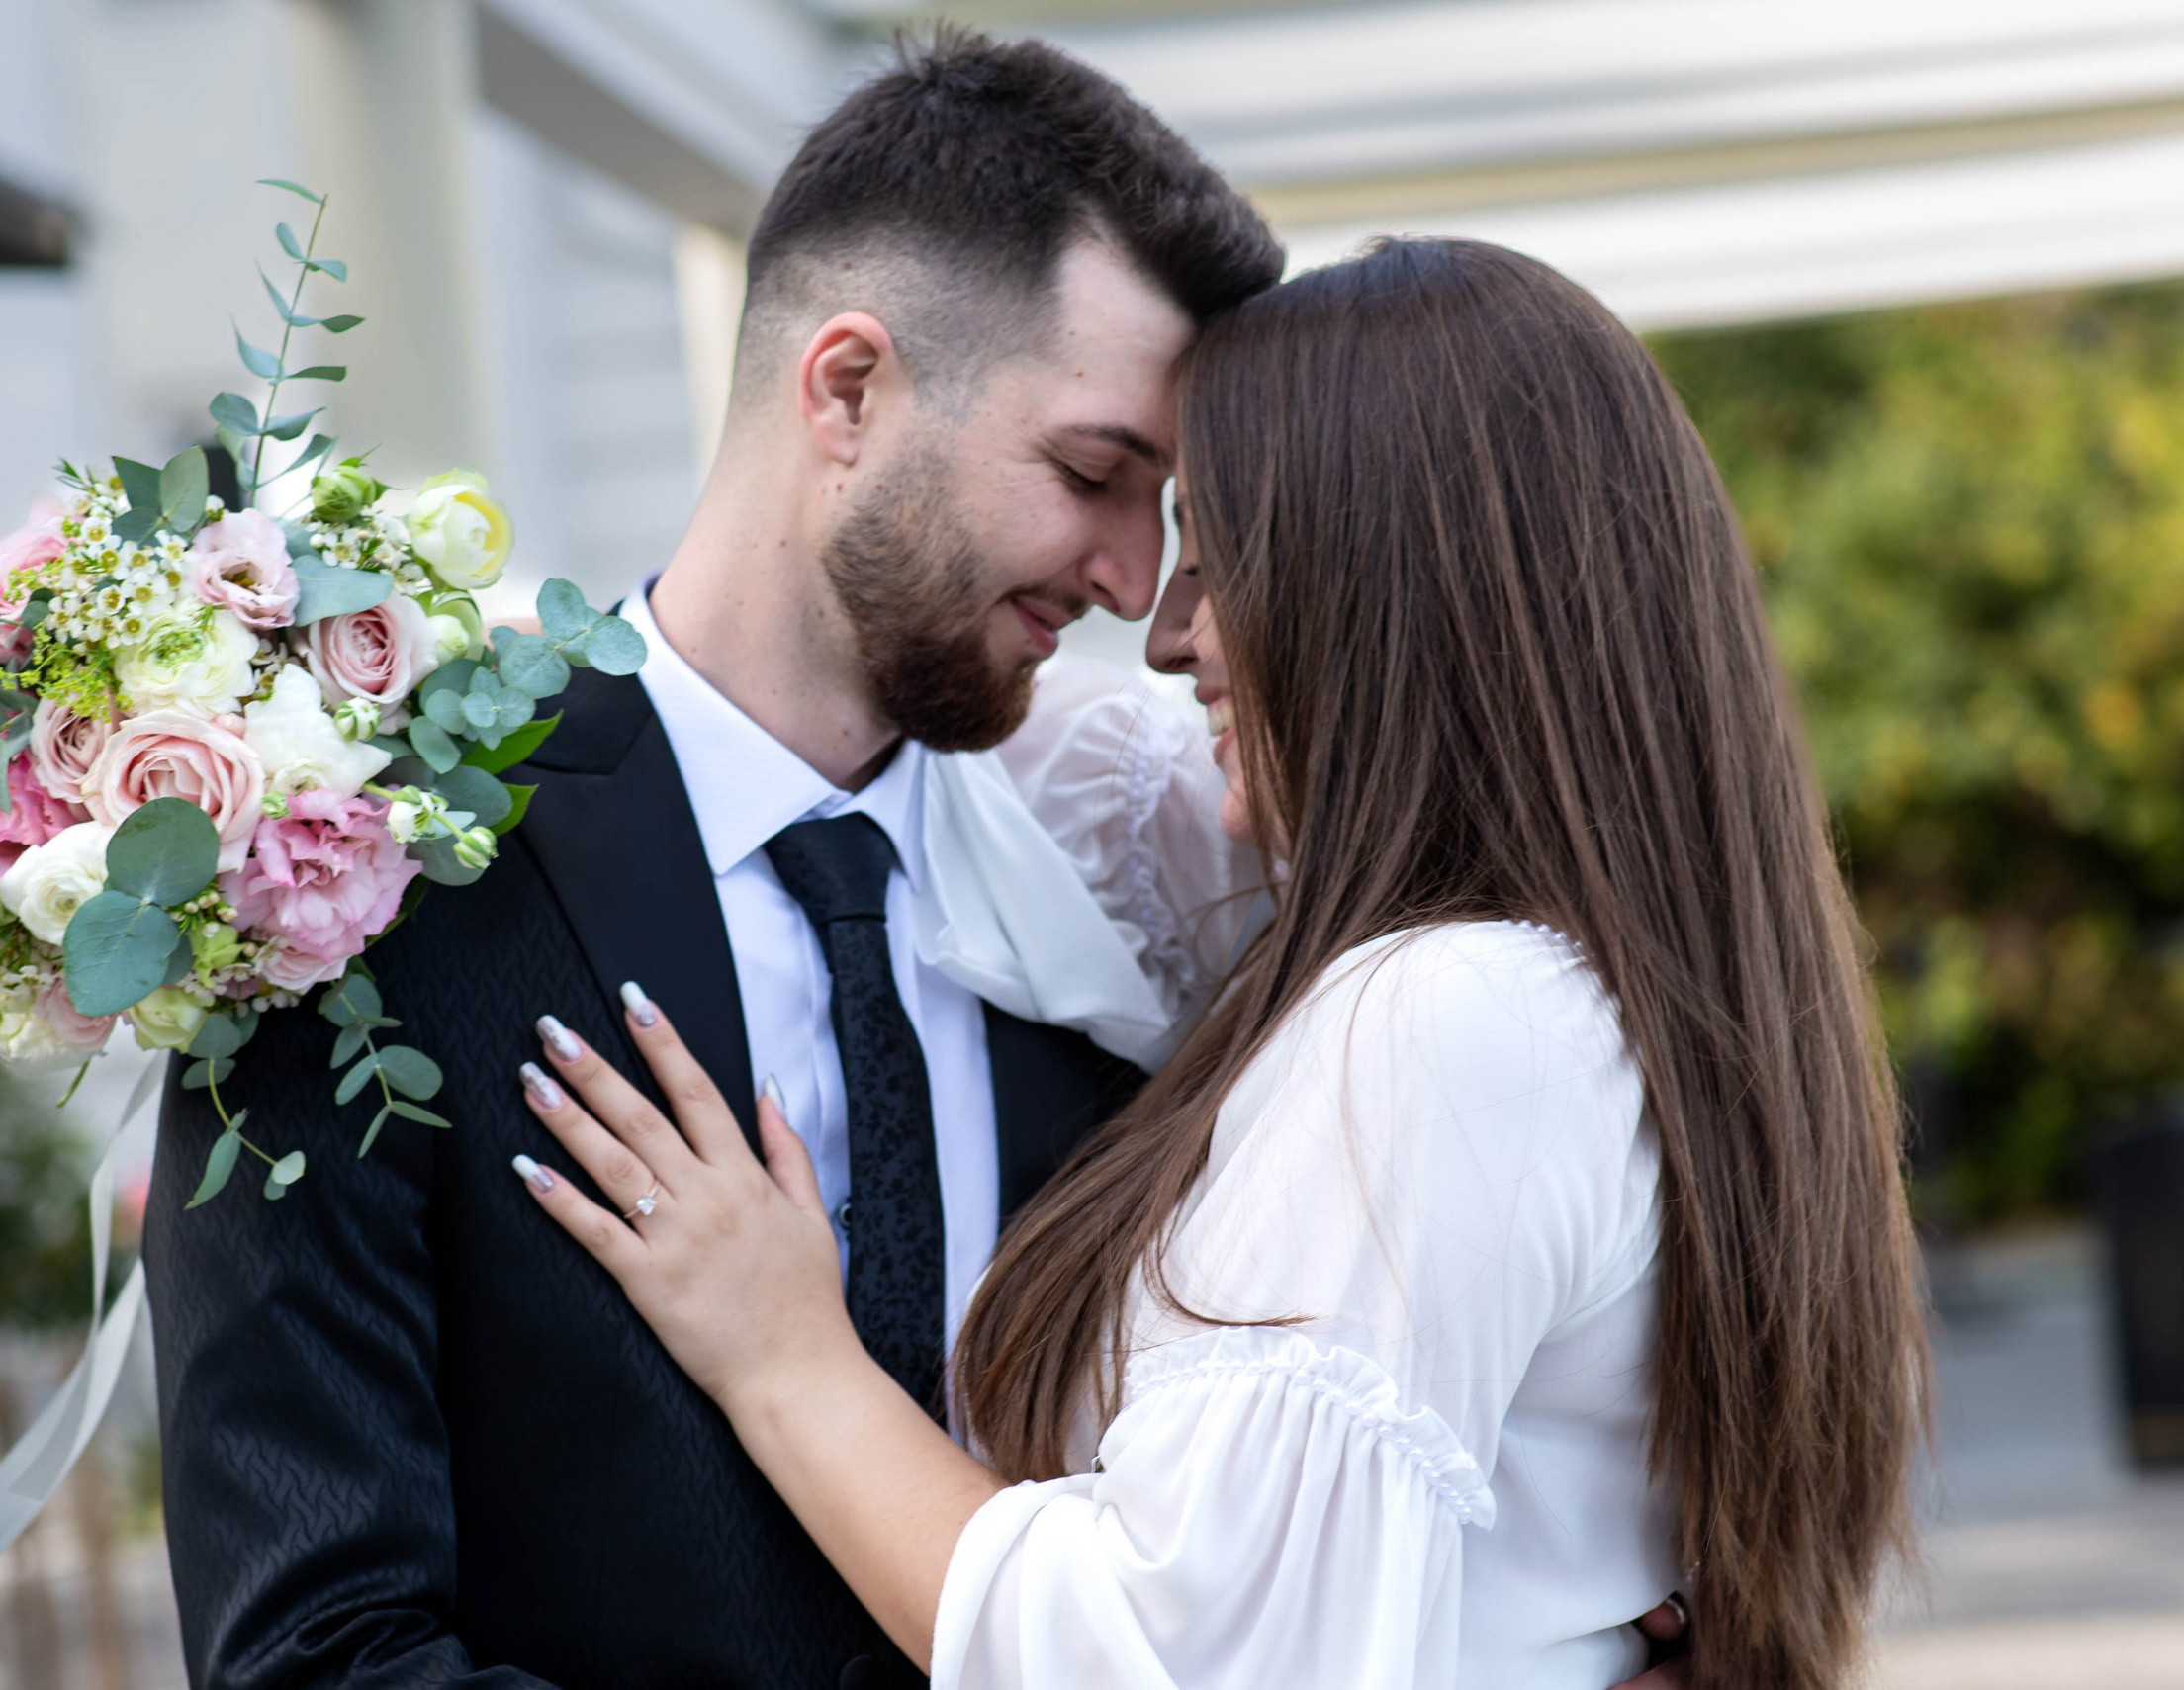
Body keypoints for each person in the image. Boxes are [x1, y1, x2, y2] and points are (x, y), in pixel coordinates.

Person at [510, 239, 1928, 1688]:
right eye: (1103, 485)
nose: (1168, 627)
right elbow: (860, 722)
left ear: (1386, 590)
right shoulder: (1601, 986)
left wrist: (786, 1357)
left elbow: (1173, 1659)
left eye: (1220, 551)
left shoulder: (1441, 1022)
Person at [145, 31, 1283, 1690]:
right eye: (1096, 474)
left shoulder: (1133, 889)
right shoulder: (365, 884)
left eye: (1164, 506)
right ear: (847, 389)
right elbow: (318, 1650)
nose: (1130, 579)